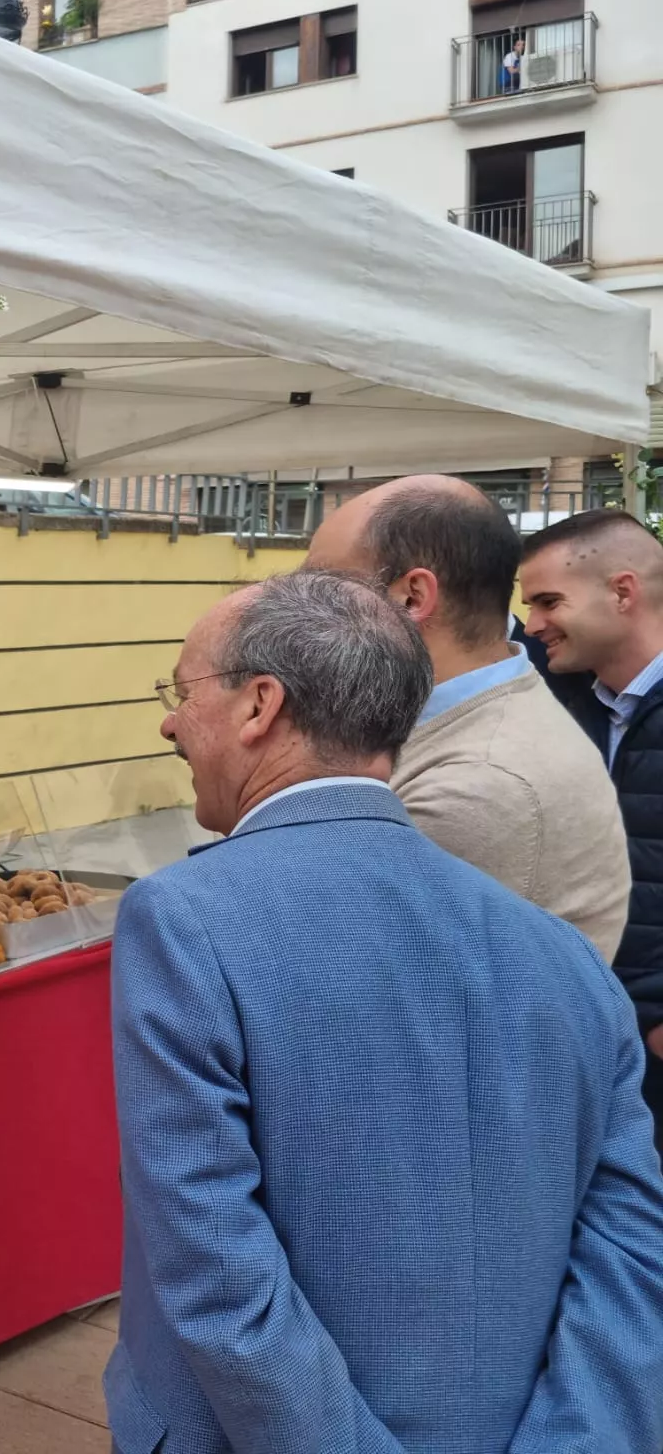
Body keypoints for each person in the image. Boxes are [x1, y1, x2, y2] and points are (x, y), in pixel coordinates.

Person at [108, 570, 663, 1454]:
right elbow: (631, 1252)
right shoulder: (564, 957)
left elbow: (215, 1268)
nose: (171, 722)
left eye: (182, 692)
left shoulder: (185, 919)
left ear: (260, 704)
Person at [305, 475, 627, 955]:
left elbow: (320, 960)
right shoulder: (469, 717)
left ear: (412, 597)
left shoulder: (478, 786)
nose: (303, 613)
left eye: (326, 589)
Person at [520, 508, 663, 1152]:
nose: (533, 624)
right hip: (586, 1038)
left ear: (623, 592)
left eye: (549, 601)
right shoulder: (559, 695)